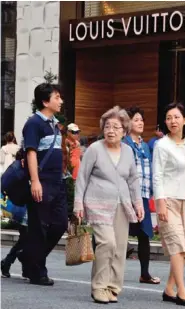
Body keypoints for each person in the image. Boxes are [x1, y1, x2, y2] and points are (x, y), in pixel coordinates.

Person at [74, 106, 144, 304]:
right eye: (107, 126)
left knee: (120, 247)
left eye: (115, 127)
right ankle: (99, 287)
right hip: (97, 203)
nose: (110, 130)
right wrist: (78, 204)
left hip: (122, 204)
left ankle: (113, 286)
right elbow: (82, 177)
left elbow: (132, 180)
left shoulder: (129, 151)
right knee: (107, 243)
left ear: (124, 130)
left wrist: (138, 204)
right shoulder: (95, 149)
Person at [153, 103, 185, 307]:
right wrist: (160, 204)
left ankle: (168, 290)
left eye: (176, 117)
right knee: (177, 246)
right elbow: (157, 176)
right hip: (168, 200)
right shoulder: (161, 145)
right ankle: (182, 292)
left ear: (184, 120)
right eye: (168, 117)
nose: (172, 121)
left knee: (184, 247)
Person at [20, 83, 68, 286]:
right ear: (45, 101)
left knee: (60, 225)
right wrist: (35, 182)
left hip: (58, 182)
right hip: (42, 182)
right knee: (39, 228)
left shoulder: (53, 123)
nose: (61, 101)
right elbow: (30, 153)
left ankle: (29, 256)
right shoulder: (34, 123)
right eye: (57, 97)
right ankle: (38, 271)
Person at [124, 106, 160, 285]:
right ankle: (110, 272)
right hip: (126, 196)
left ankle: (144, 273)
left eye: (141, 120)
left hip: (143, 195)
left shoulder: (145, 145)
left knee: (144, 235)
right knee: (120, 233)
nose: (140, 123)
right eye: (136, 119)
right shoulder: (123, 143)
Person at [1, 148, 28, 279]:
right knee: (26, 239)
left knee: (25, 239)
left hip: (18, 209)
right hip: (23, 210)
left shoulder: (15, 167)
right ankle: (8, 263)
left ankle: (10, 263)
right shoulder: (21, 171)